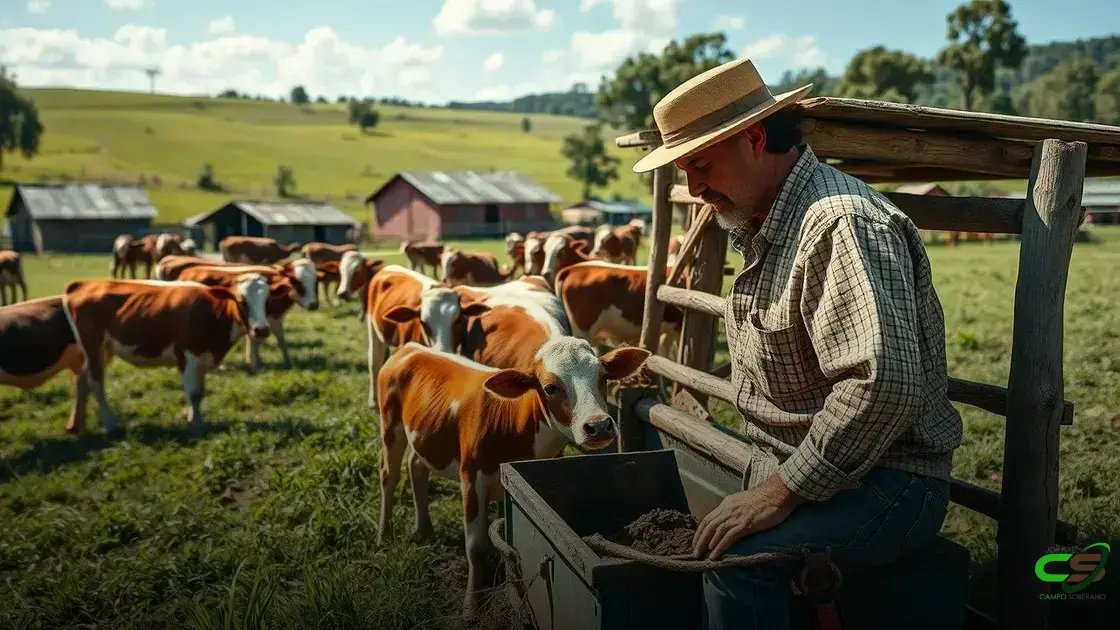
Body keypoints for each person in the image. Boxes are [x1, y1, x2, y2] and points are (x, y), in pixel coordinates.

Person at [631, 57, 964, 629]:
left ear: (755, 139)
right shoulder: (770, 220)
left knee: (737, 562)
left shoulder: (839, 224)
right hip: (822, 474)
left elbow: (882, 385)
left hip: (889, 482)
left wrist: (777, 492)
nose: (694, 188)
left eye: (701, 164)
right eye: (684, 171)